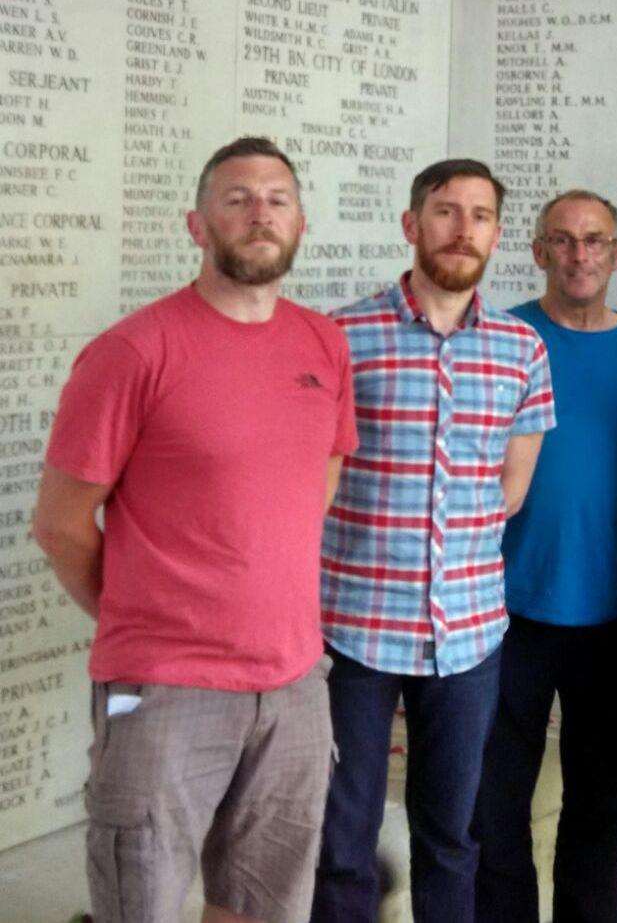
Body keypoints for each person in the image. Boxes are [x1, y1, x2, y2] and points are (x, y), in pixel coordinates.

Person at [32, 136, 357, 923]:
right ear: (196, 222)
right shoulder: (133, 351)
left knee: (262, 906)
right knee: (139, 904)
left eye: (277, 198)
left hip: (294, 685)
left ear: (301, 224)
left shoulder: (324, 342)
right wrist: (148, 614)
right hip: (164, 686)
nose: (259, 213)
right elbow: (60, 522)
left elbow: (321, 476)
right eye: (236, 197)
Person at [312, 159, 556, 923]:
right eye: (446, 211)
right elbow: (314, 483)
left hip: (469, 634)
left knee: (451, 835)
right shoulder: (342, 336)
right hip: (356, 628)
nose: (463, 228)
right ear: (412, 225)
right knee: (343, 838)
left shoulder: (523, 349)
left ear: (496, 233)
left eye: (480, 215)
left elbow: (511, 489)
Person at [472, 189, 617, 923]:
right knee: (494, 807)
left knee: (598, 808)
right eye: (562, 240)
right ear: (537, 252)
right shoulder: (498, 343)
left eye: (595, 240)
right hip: (503, 616)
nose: (579, 255)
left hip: (614, 619)